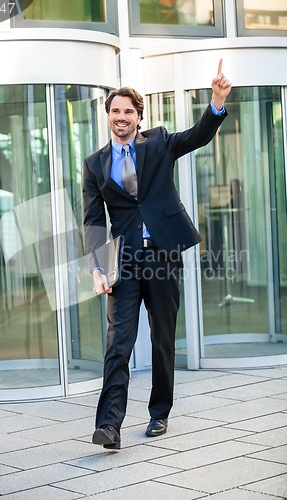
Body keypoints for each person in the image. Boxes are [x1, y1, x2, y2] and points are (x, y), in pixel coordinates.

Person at [82, 59, 232, 450]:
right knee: (119, 342)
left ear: (138, 116)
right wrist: (98, 268)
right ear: (108, 116)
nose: (121, 117)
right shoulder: (94, 164)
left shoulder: (160, 142)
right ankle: (109, 426)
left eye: (128, 111)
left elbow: (197, 136)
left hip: (163, 256)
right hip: (124, 262)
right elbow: (93, 221)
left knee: (163, 337)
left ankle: (159, 413)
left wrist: (216, 103)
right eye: (115, 111)